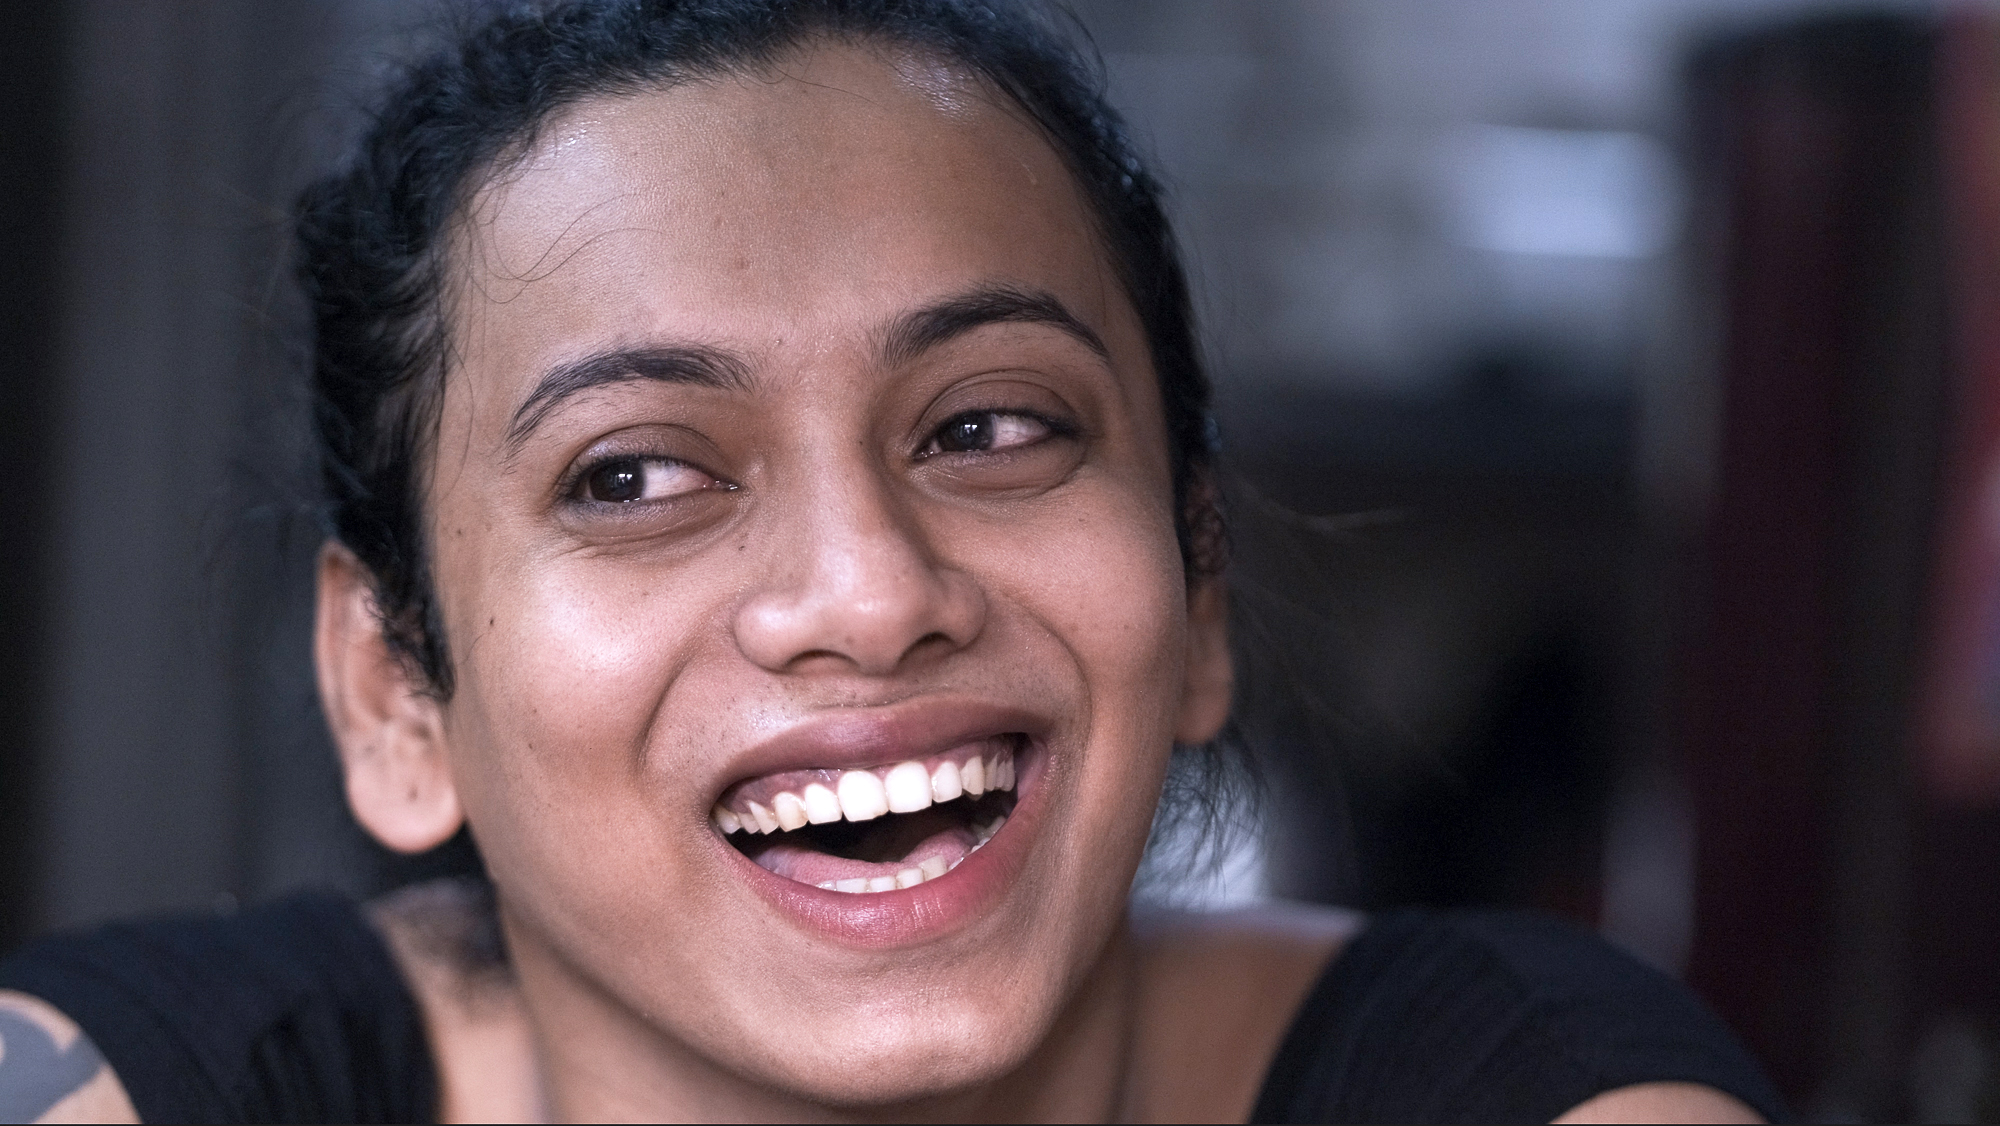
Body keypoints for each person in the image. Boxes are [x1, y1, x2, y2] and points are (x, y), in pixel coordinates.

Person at [0, 1, 1785, 1121]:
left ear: (1198, 583)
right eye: (635, 473)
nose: (868, 591)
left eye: (990, 426)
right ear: (397, 692)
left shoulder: (1530, 1086)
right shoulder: (135, 1079)